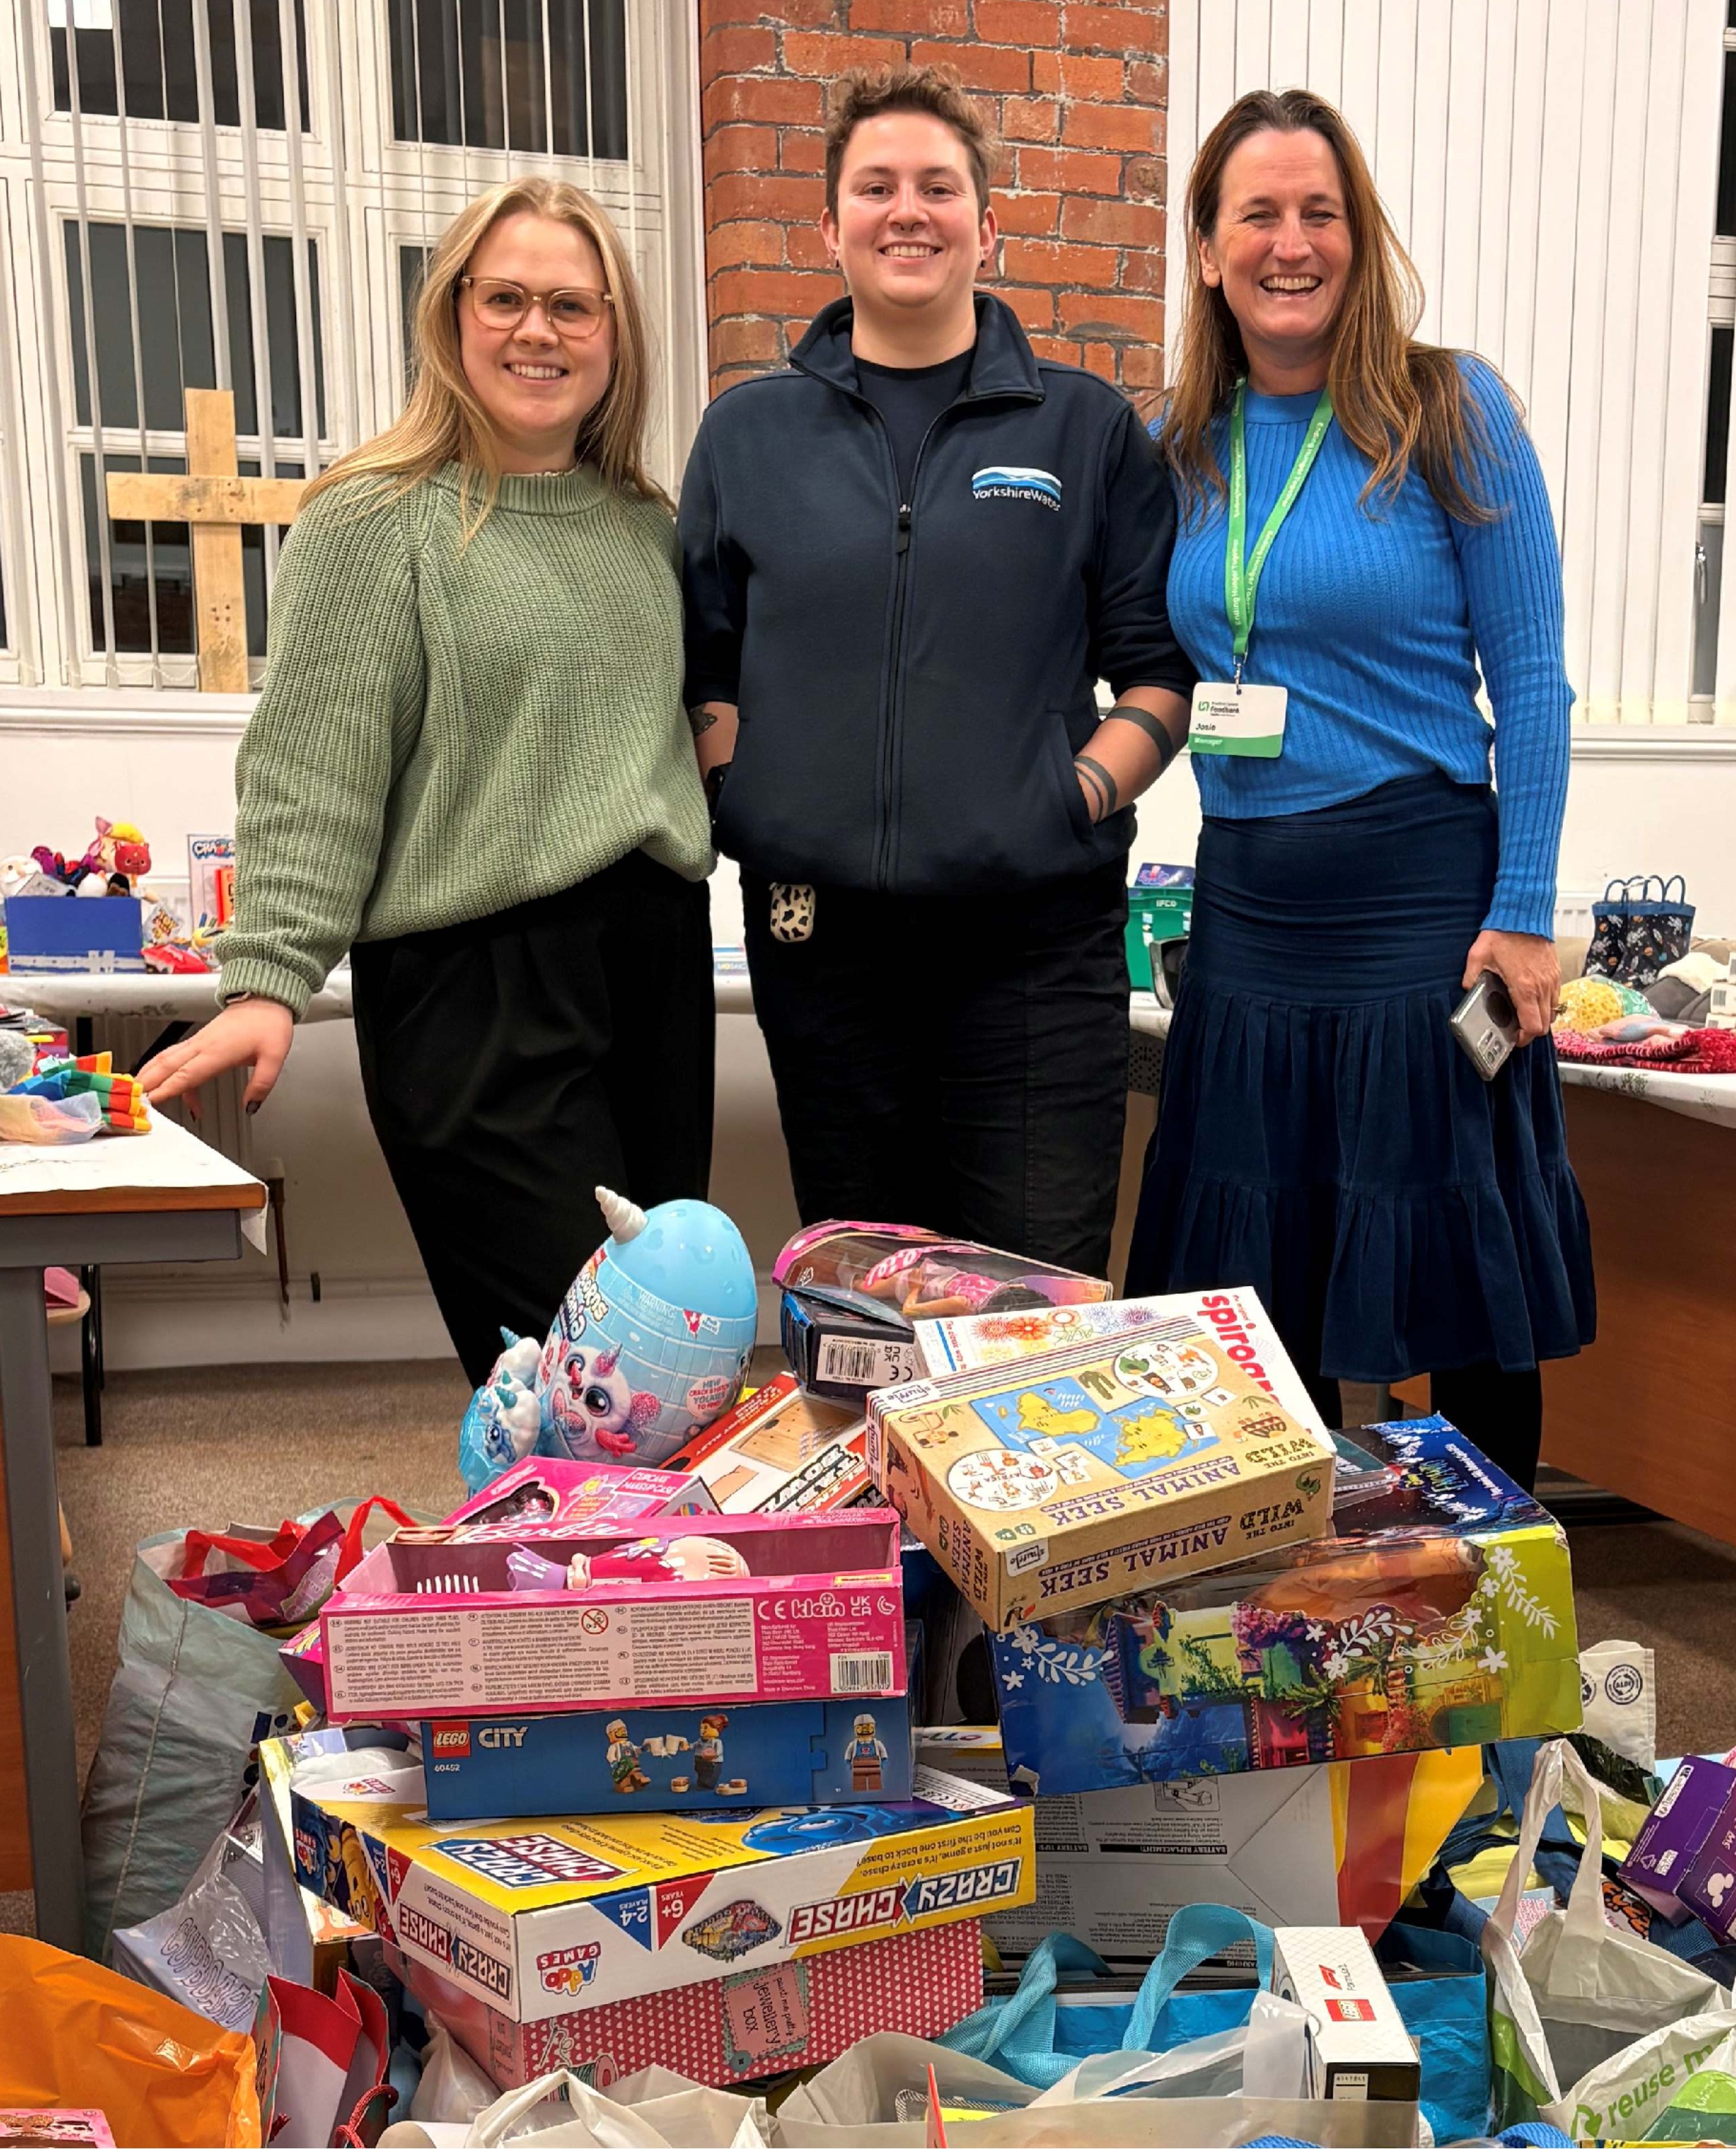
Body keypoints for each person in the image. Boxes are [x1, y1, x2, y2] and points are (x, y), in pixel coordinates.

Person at [140, 178, 715, 1388]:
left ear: (616, 332)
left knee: (661, 1375)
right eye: (502, 297)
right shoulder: (374, 518)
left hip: (652, 979)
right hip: (477, 994)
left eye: (571, 303)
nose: (536, 330)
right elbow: (311, 767)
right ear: (450, 316)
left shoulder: (645, 529)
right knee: (585, 1384)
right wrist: (269, 979)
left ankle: (622, 1584)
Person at [1126, 89, 1595, 1491]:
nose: (1291, 242)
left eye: (1318, 212)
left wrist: (1522, 910)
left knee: (1452, 1272)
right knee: (1254, 1280)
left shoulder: (1450, 411)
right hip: (1251, 908)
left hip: (1424, 907)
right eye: (1257, 213)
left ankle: (1494, 1588)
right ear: (1207, 249)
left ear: (1358, 233)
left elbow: (1536, 682)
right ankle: (1283, 1612)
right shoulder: (1181, 446)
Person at [679, 64, 1194, 1281]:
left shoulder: (1082, 428)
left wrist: (1072, 796)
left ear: (985, 225)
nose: (906, 211)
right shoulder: (748, 433)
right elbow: (704, 656)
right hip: (821, 946)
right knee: (865, 1294)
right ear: (830, 227)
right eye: (875, 187)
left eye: (937, 186)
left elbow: (1158, 675)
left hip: (1033, 943)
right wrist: (742, 795)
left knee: (1030, 1291)